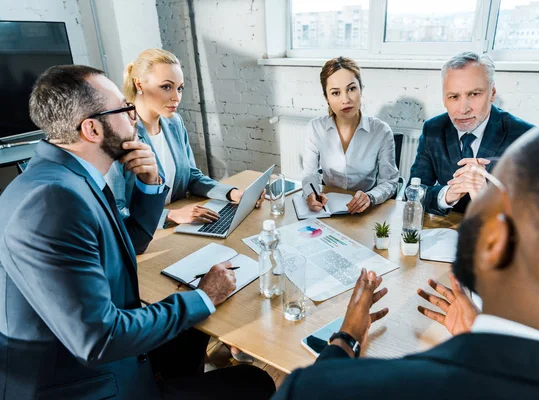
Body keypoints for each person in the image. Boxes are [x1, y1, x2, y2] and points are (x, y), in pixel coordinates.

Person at [272, 108, 539, 399]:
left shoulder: (325, 389)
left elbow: (318, 386)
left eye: (489, 184)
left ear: (495, 243)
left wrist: (346, 339)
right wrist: (480, 333)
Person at [0, 65, 275, 400]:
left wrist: (150, 185)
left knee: (192, 333)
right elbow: (99, 340)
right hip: (87, 385)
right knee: (253, 382)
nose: (133, 116)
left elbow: (129, 246)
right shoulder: (52, 204)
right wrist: (205, 296)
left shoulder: (68, 178)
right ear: (92, 129)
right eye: (123, 108)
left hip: (99, 356)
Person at [105, 48, 262, 231]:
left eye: (179, 88)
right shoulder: (118, 134)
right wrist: (171, 215)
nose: (176, 97)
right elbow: (114, 210)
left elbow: (191, 177)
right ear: (139, 84)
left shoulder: (174, 123)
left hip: (179, 226)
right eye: (166, 87)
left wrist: (232, 193)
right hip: (143, 233)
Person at [409, 52, 533, 216]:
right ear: (444, 99)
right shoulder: (433, 129)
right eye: (453, 96)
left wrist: (486, 196)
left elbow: (532, 212)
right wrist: (447, 195)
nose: (463, 109)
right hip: (444, 231)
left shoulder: (525, 137)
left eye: (474, 94)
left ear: (492, 94)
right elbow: (414, 192)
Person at [302, 56, 400, 214]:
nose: (345, 99)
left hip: (366, 210)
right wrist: (310, 193)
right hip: (326, 208)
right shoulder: (315, 128)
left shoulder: (381, 131)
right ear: (326, 98)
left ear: (361, 89)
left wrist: (370, 197)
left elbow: (389, 181)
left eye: (351, 89)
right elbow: (309, 173)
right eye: (335, 93)